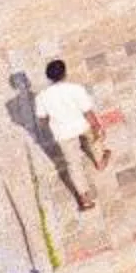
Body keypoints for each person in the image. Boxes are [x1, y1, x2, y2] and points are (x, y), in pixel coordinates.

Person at [33, 59, 107, 209]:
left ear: (49, 77)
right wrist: (97, 126)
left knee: (73, 164)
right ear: (65, 73)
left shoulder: (41, 97)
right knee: (94, 142)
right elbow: (87, 112)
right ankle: (99, 161)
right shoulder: (76, 89)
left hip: (63, 133)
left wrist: (52, 121)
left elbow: (42, 120)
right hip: (82, 125)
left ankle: (84, 197)